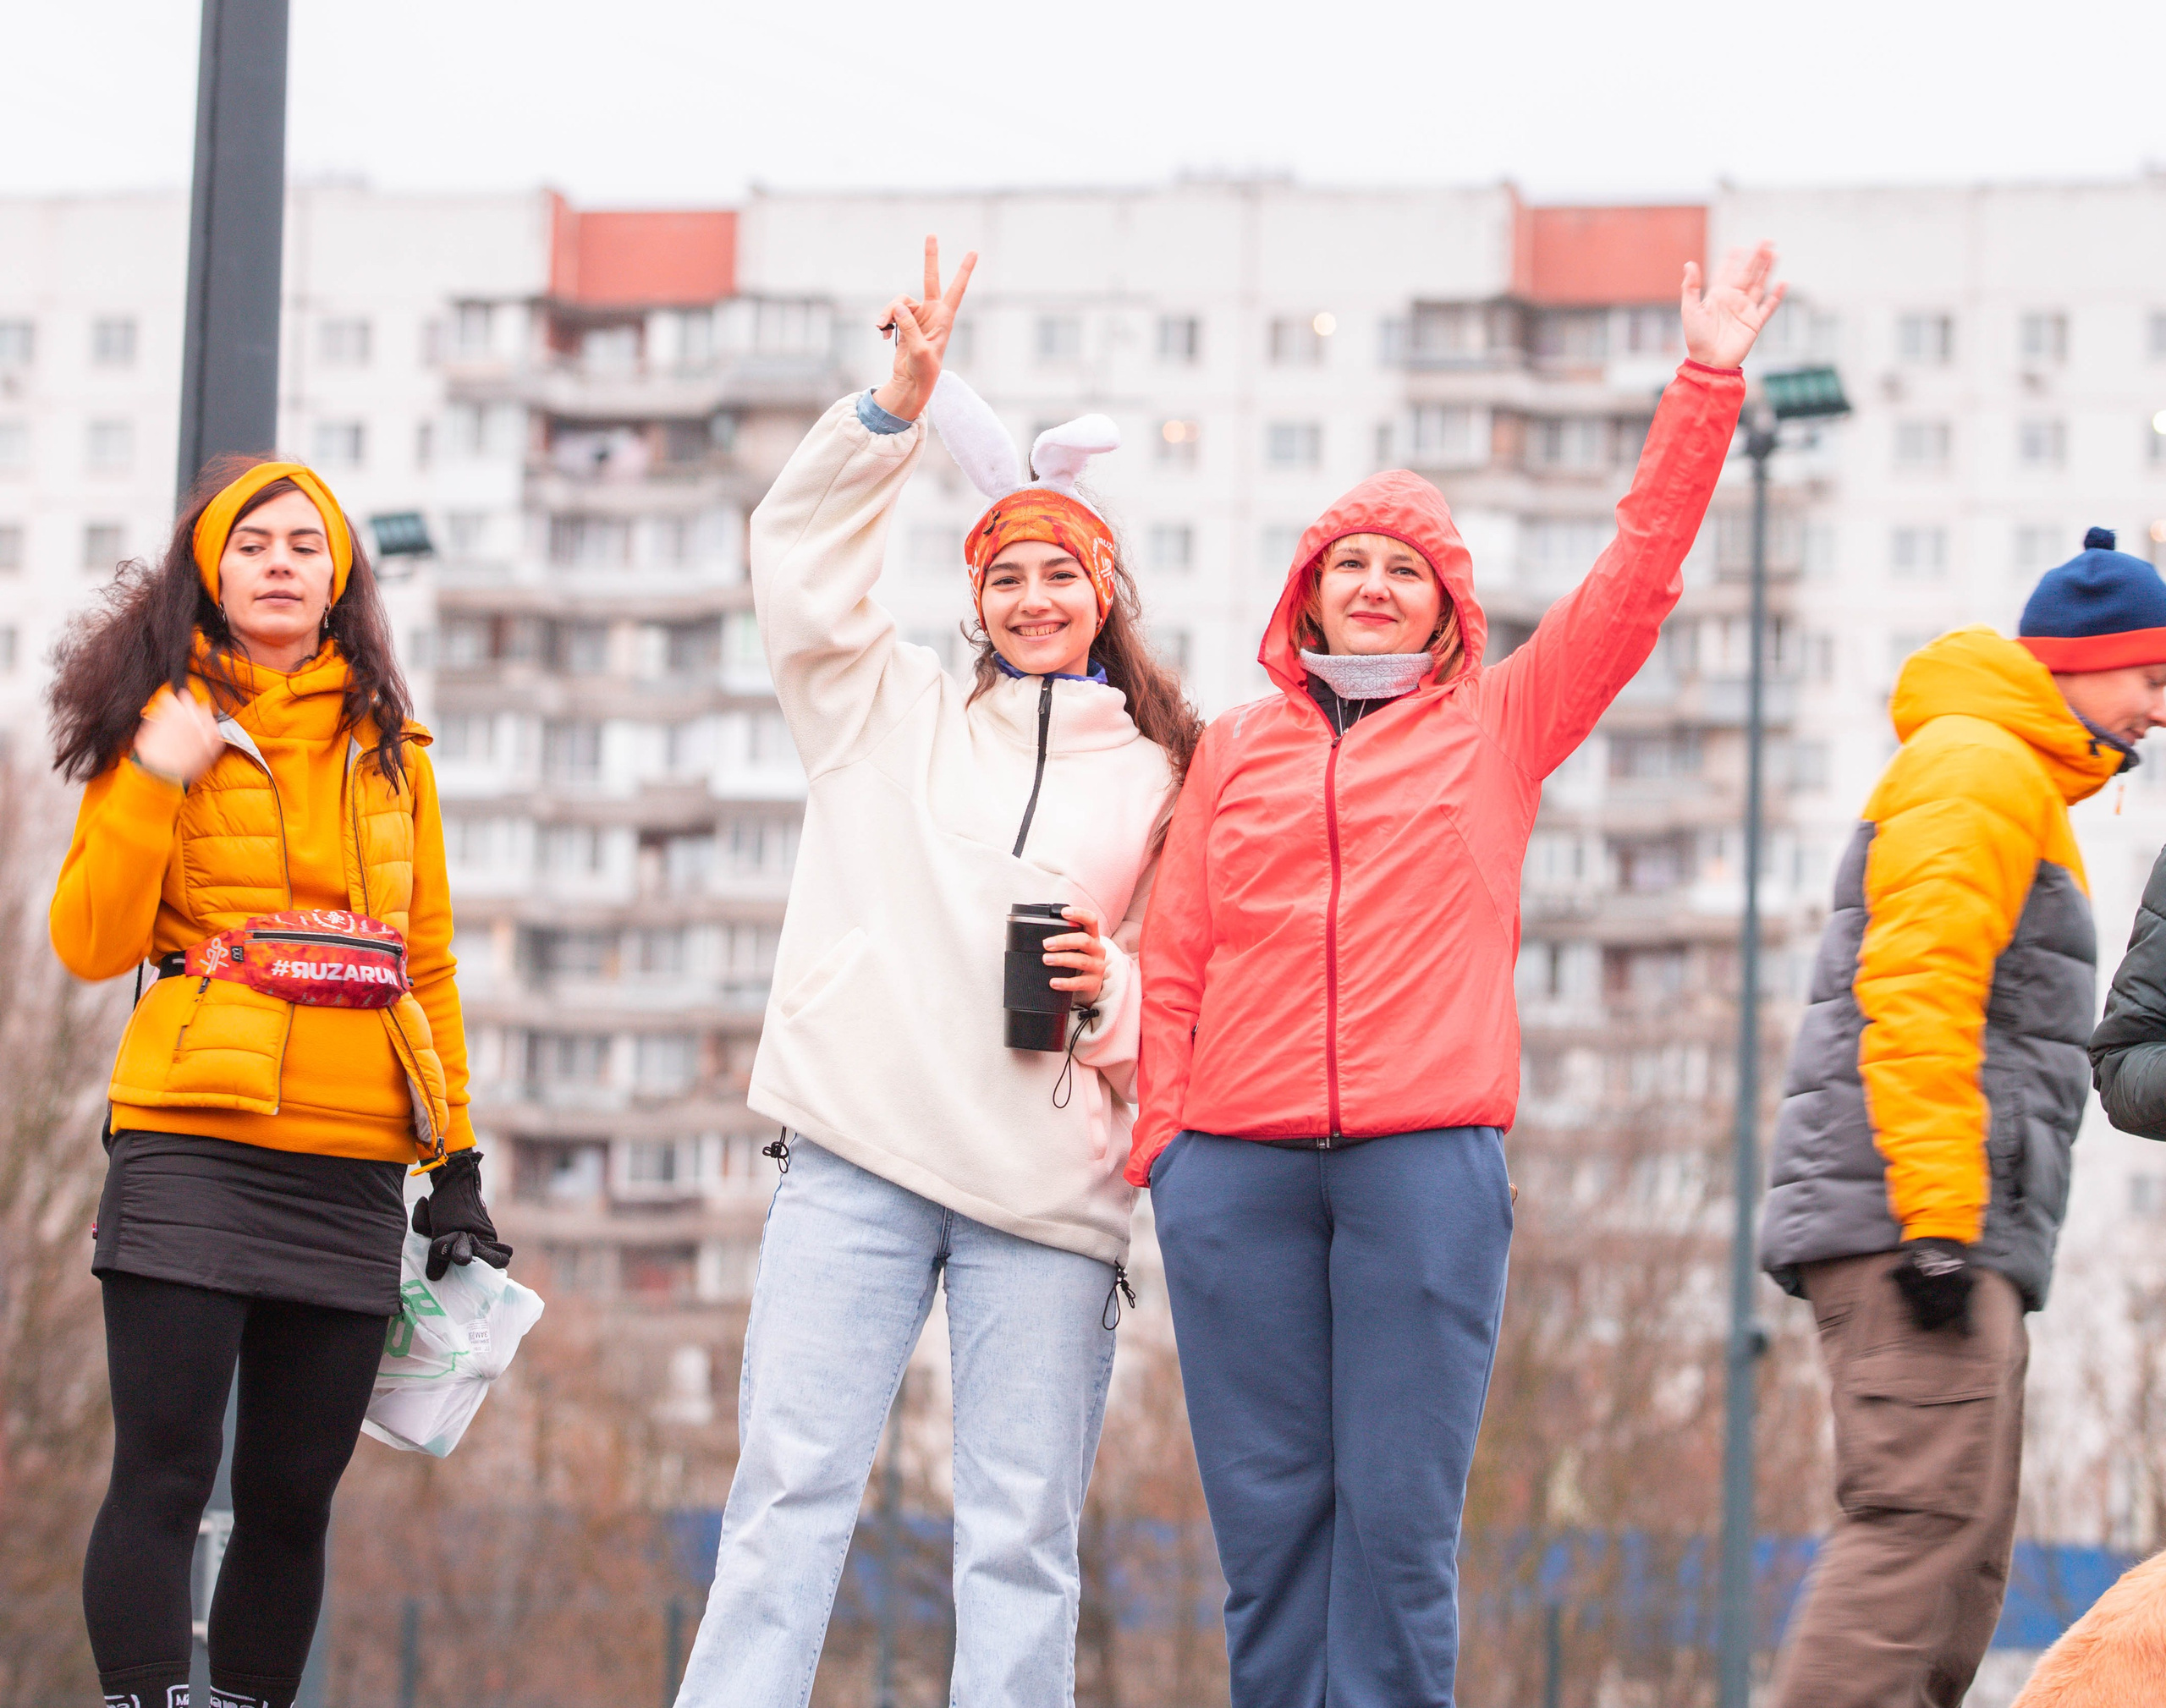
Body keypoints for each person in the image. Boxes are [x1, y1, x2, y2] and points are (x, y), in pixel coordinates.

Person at [1131, 244, 1784, 1705]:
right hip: (1232, 1176)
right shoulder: (1237, 746)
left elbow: (1638, 576)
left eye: (1402, 570)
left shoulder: (1501, 725)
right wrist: (1167, 1146)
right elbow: (1173, 958)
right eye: (1346, 565)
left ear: (1445, 607)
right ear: (1306, 597)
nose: (1372, 586)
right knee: (1268, 1525)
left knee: (1400, 1527)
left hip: (1424, 1169)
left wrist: (1706, 381)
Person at [672, 240, 1197, 1708]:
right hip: (858, 1157)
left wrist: (1118, 998)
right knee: (788, 1500)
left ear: (1105, 595)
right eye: (1009, 575)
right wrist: (894, 412)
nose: (1036, 598)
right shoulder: (882, 709)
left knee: (1023, 1541)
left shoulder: (1171, 774)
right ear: (979, 598)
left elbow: (1196, 997)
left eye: (1062, 575)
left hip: (1046, 1197)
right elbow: (800, 567)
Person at [47, 458, 506, 1708]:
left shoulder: (393, 749)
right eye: (253, 544)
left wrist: (456, 1163)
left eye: (308, 543)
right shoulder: (156, 725)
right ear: (211, 571)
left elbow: (430, 962)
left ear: (341, 574)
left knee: (296, 1495)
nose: (282, 562)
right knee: (165, 1469)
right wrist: (155, 776)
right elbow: (89, 943)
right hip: (194, 1137)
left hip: (355, 1158)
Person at [1759, 527, 2166, 1708]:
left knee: (1958, 1560)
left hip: (1956, 1225)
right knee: (1912, 1534)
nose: (2156, 711)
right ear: (2081, 665)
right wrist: (1939, 1224)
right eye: (2150, 679)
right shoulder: (1976, 767)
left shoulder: (2009, 780)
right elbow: (1917, 988)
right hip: (1919, 1224)